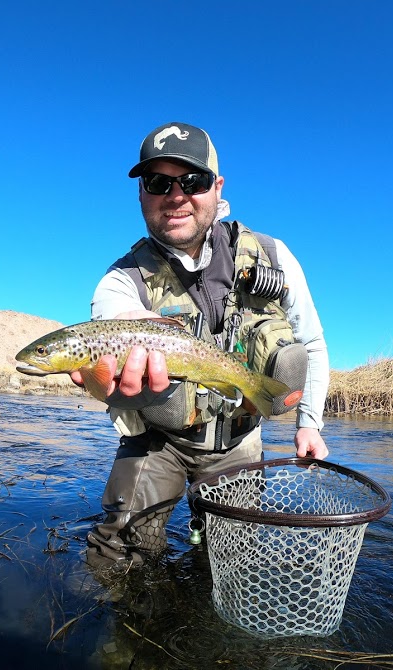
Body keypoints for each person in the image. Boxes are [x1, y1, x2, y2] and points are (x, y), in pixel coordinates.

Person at [71, 122, 330, 569]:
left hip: (241, 440)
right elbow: (114, 318)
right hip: (158, 440)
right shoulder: (119, 282)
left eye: (193, 181)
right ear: (141, 193)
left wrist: (309, 424)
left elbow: (311, 342)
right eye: (158, 182)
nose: (176, 195)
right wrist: (137, 326)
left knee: (233, 562)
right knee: (117, 557)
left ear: (218, 187)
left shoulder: (274, 256)